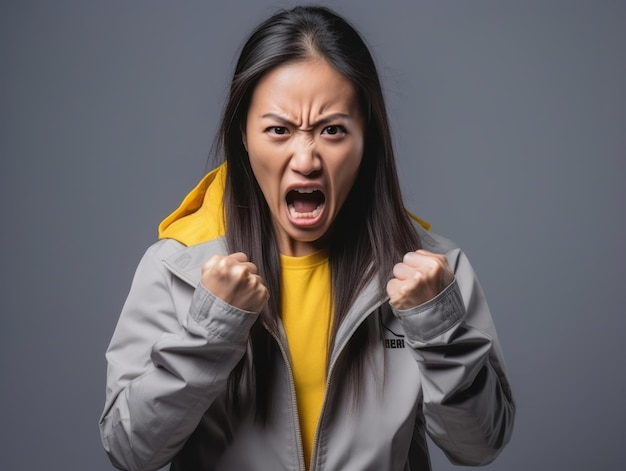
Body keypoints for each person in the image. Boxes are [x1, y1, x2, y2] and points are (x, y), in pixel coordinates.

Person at [99, 5, 515, 470]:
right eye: (278, 130)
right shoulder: (177, 269)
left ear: (367, 138)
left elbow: (479, 445)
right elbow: (130, 450)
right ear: (243, 136)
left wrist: (437, 326)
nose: (306, 159)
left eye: (332, 130)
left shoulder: (435, 273)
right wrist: (209, 331)